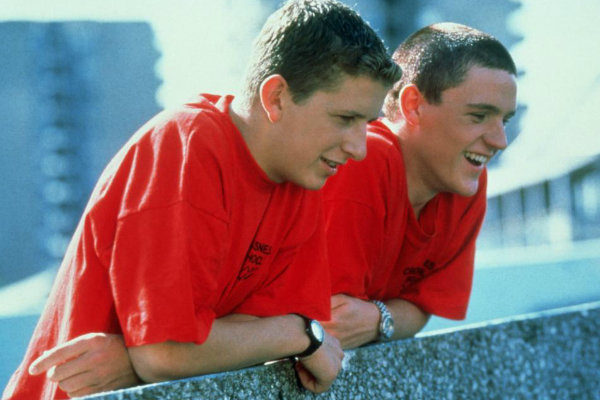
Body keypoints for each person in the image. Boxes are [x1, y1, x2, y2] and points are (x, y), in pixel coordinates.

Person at [2, 0, 401, 398]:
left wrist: (145, 358)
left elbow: (270, 352)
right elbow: (168, 353)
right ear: (276, 97)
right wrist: (299, 334)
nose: (359, 148)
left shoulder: (300, 176)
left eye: (367, 124)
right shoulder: (188, 147)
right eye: (345, 119)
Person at [321, 22, 517, 349]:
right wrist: (384, 319)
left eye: (504, 120)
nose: (500, 141)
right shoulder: (365, 158)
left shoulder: (464, 177)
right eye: (478, 116)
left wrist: (378, 319)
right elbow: (333, 324)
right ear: (413, 105)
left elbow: (422, 307)